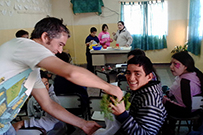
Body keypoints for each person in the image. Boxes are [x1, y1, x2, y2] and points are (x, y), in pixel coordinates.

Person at [0, 17, 123, 135]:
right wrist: (108, 87)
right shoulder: (24, 45)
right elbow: (71, 72)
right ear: (45, 37)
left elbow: (48, 104)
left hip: (4, 126)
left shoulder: (33, 71)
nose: (60, 51)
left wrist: (82, 124)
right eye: (60, 44)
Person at [110, 56, 167, 134]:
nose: (131, 78)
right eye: (128, 73)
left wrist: (122, 115)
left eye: (137, 74)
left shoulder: (150, 102)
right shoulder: (140, 89)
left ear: (149, 77)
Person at [12, 70, 67, 134]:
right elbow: (31, 116)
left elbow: (51, 122)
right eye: (40, 85)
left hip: (52, 127)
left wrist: (24, 123)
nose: (44, 88)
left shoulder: (53, 100)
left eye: (46, 83)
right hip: (39, 127)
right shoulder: (31, 100)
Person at [162, 51, 203, 134]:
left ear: (185, 66)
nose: (171, 67)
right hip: (197, 109)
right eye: (171, 64)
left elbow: (186, 107)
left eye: (175, 64)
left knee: (160, 100)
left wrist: (165, 100)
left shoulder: (185, 82)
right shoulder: (194, 74)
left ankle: (169, 128)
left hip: (188, 111)